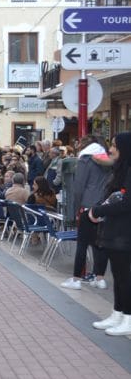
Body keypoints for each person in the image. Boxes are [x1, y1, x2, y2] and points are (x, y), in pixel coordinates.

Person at [88, 132, 131, 336]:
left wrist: (99, 210)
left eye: (114, 145)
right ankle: (118, 313)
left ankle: (128, 318)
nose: (110, 149)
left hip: (125, 234)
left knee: (125, 277)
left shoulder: (129, 171)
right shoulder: (121, 170)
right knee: (118, 275)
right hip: (116, 233)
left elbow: (126, 203)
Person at [61, 137, 111, 290]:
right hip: (104, 204)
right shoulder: (107, 160)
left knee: (82, 243)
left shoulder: (85, 160)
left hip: (87, 205)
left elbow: (78, 187)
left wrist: (77, 207)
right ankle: (100, 278)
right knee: (100, 243)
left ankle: (76, 279)